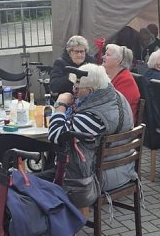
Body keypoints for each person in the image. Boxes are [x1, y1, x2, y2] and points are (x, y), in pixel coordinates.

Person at [47, 64, 137, 199]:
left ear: (90, 90)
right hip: (123, 168)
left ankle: (61, 209)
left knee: (36, 183)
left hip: (95, 178)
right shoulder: (114, 96)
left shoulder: (95, 116)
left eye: (77, 88)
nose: (73, 91)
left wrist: (60, 105)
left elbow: (56, 136)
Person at [103, 43, 141, 122]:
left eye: (108, 55)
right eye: (105, 54)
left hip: (120, 122)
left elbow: (117, 108)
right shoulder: (107, 75)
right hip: (108, 117)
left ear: (118, 61)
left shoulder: (126, 81)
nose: (103, 57)